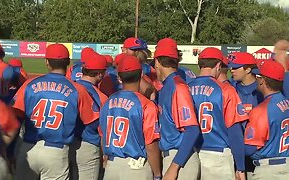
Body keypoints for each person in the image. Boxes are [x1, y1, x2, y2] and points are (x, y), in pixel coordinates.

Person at [12, 44, 99, 180]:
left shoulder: (29, 84)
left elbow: (15, 116)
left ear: (47, 62)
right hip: (56, 151)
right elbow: (92, 122)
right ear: (68, 62)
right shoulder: (77, 89)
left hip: (29, 147)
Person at [188, 47, 249, 180]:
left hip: (190, 154)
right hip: (217, 156)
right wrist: (240, 167)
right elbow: (234, 132)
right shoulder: (226, 90)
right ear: (218, 65)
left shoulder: (185, 88)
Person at [99, 55, 162, 180]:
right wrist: (157, 173)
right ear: (141, 74)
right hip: (136, 168)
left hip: (112, 165)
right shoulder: (146, 105)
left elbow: (102, 135)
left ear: (119, 78)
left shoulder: (108, 102)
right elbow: (150, 145)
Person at [154, 45, 201, 180]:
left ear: (157, 62)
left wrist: (174, 167)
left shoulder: (178, 87)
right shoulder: (168, 85)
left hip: (181, 160)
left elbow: (192, 130)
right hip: (174, 157)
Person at [244, 60, 289, 180]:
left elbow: (249, 148)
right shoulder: (286, 103)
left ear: (263, 80)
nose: (255, 78)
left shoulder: (262, 110)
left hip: (269, 171)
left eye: (257, 76)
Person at [70, 53, 108, 180]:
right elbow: (102, 129)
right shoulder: (101, 97)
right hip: (88, 146)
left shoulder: (69, 87)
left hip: (65, 145)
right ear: (100, 74)